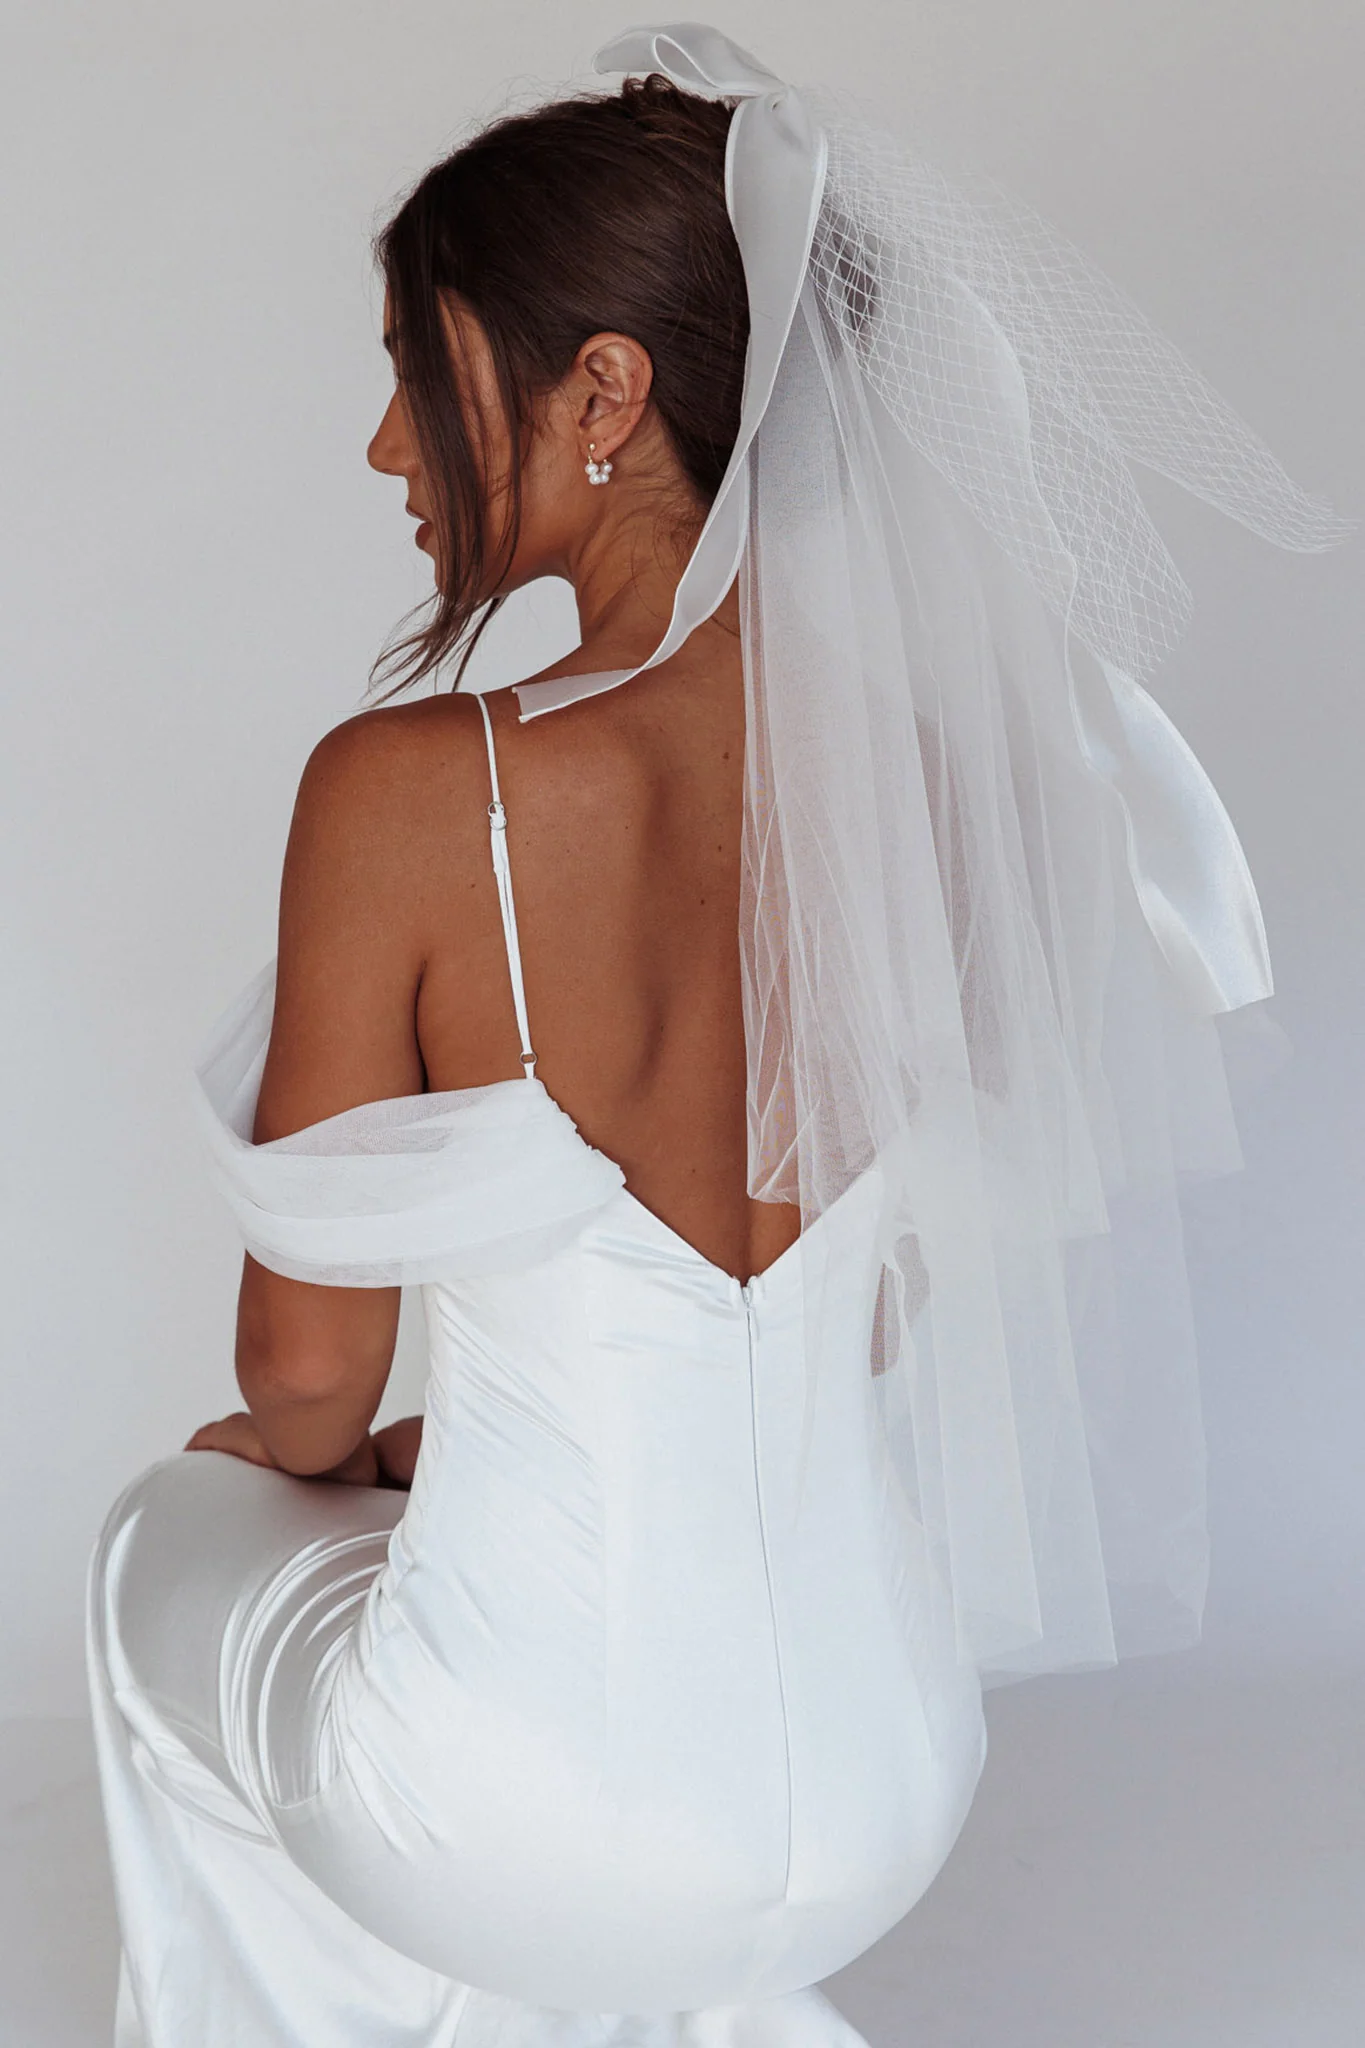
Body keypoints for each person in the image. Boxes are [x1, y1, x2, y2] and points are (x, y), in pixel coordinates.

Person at [85, 24, 1351, 2048]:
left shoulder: (410, 792)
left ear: (604, 391)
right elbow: (855, 1317)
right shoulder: (933, 785)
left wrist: (332, 1463)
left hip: (524, 1819)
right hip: (881, 1790)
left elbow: (305, 1377)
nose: (391, 451)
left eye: (421, 373)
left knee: (161, 1540)